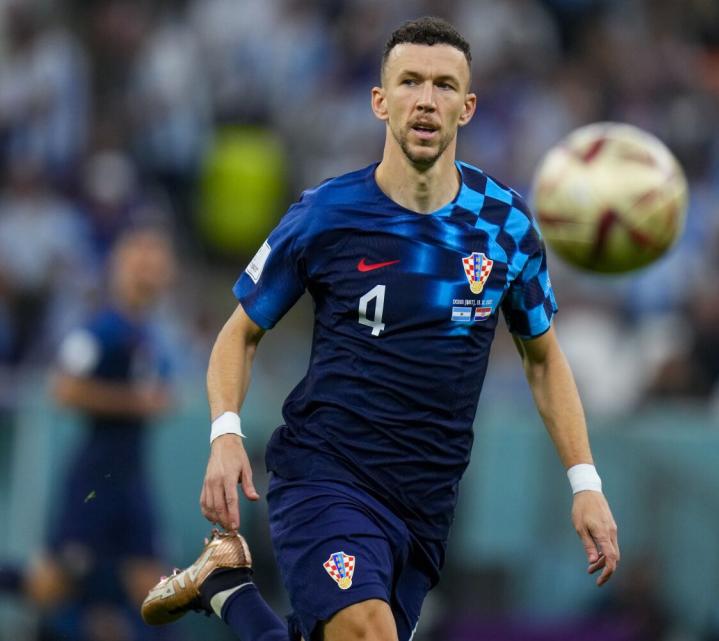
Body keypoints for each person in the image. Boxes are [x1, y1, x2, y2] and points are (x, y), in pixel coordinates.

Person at [140, 16, 619, 641]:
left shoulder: (504, 225)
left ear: (468, 107)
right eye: (410, 82)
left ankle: (222, 587)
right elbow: (240, 332)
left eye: (445, 86)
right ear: (379, 100)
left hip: (425, 504)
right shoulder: (327, 215)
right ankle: (225, 587)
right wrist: (225, 434)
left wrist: (585, 483)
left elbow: (542, 359)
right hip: (326, 476)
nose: (426, 99)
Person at [0, 225, 176, 641]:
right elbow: (62, 387)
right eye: (140, 258)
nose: (150, 268)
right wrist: (138, 402)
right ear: (120, 267)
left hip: (130, 479)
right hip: (95, 478)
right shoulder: (102, 329)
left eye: (157, 259)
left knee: (157, 592)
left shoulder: (147, 332)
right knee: (50, 587)